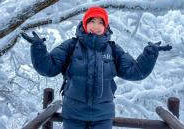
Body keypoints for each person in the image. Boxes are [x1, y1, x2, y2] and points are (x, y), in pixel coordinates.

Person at [21, 7, 172, 129]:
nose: (96, 26)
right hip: (73, 114)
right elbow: (49, 69)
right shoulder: (71, 46)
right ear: (85, 24)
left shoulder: (113, 50)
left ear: (105, 26)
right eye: (92, 21)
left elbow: (134, 72)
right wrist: (38, 48)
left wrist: (150, 54)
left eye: (101, 22)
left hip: (103, 116)